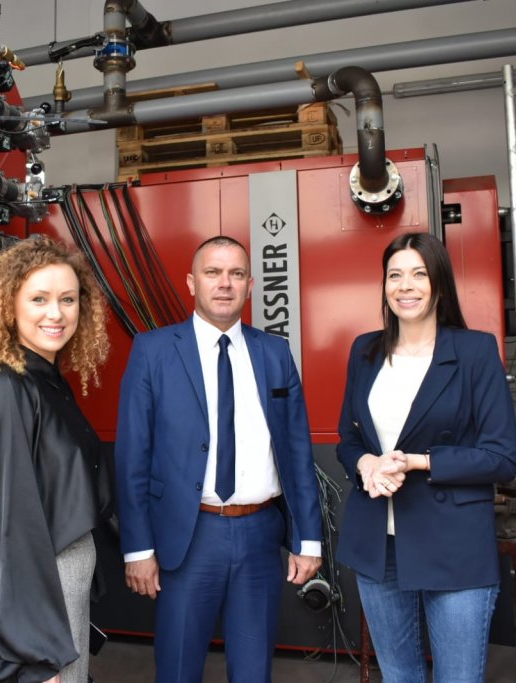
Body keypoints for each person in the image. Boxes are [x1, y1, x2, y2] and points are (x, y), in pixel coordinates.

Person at [115, 235, 323, 683]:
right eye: (212, 273)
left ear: (250, 285)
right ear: (192, 283)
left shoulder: (274, 352)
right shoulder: (153, 350)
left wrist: (309, 539)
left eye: (236, 274)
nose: (224, 283)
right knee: (178, 670)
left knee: (253, 672)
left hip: (260, 535)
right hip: (188, 535)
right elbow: (133, 457)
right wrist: (138, 548)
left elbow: (297, 451)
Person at [335, 231, 516, 683]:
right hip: (379, 542)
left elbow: (501, 457)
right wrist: (366, 465)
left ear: (439, 282)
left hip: (453, 543)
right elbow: (348, 440)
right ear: (383, 284)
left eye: (419, 274)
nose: (406, 286)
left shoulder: (475, 352)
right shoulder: (365, 351)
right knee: (399, 676)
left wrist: (420, 462)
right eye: (395, 275)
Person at [0, 236, 110, 683]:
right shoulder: (7, 388)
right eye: (39, 299)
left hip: (67, 578)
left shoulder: (48, 381)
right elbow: (10, 528)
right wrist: (33, 652)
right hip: (44, 590)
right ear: (9, 305)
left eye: (68, 299)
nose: (56, 313)